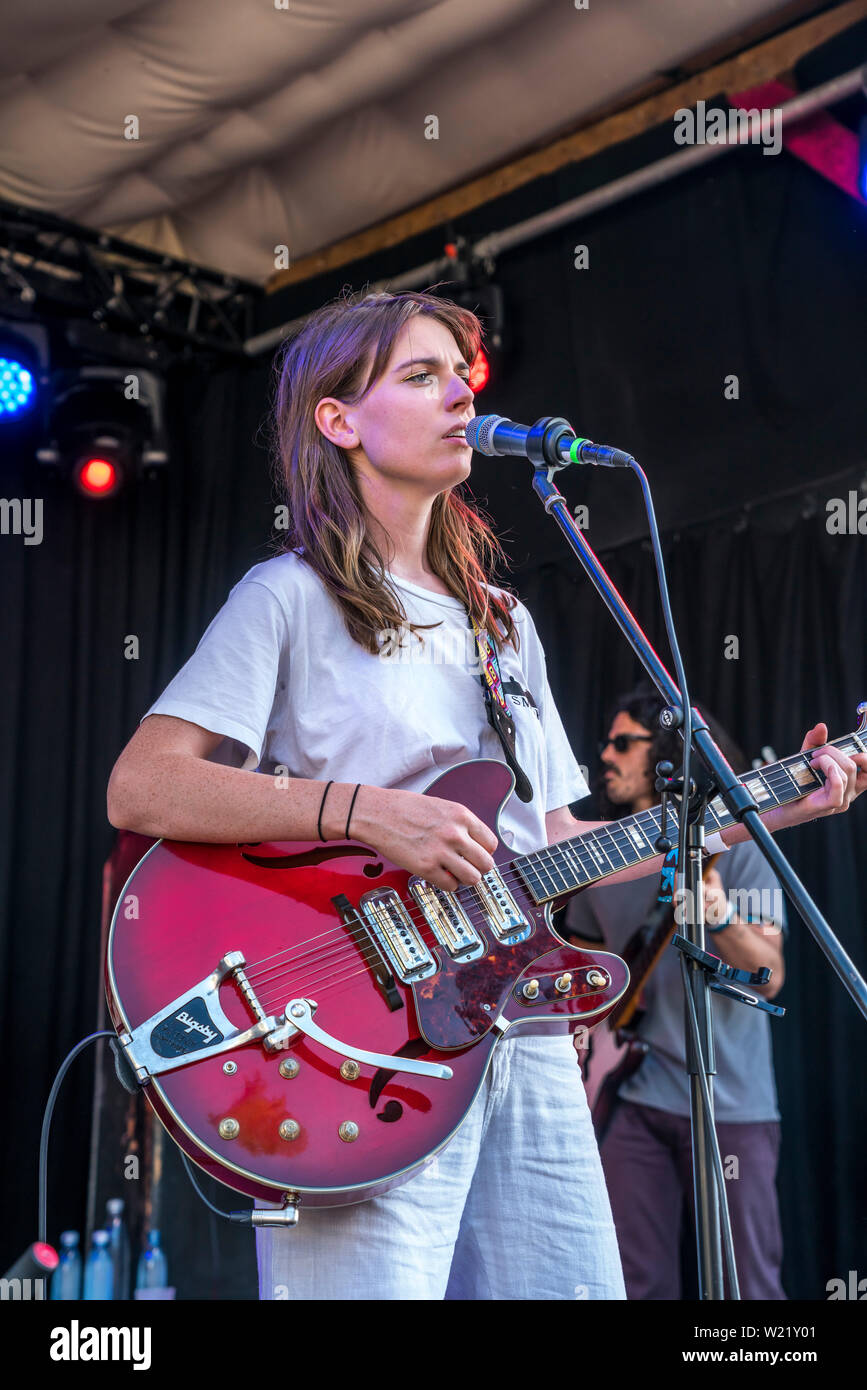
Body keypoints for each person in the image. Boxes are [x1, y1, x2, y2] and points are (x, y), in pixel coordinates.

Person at [106, 289, 867, 1301]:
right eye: (419, 375)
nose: (459, 393)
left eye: (460, 374)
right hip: (359, 1043)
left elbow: (559, 839)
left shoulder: (501, 623)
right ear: (338, 420)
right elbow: (142, 784)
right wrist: (364, 812)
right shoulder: (285, 597)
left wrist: (766, 807)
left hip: (523, 1028)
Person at [565, 682, 789, 1299]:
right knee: (634, 1282)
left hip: (730, 1104)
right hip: (628, 1097)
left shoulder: (737, 846)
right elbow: (591, 971)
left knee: (747, 1286)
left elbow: (770, 972)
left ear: (666, 752)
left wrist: (718, 916)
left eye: (622, 743)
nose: (603, 755)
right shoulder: (597, 857)